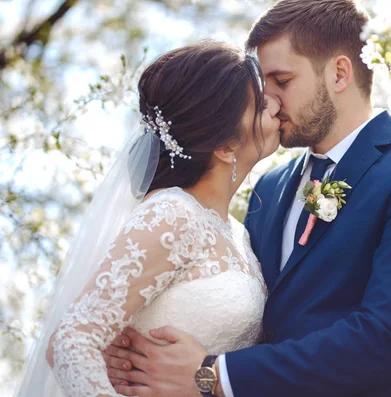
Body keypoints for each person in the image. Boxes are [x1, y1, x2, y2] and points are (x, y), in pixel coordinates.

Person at [104, 1, 391, 396]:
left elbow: (389, 337)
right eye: (265, 86)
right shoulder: (270, 186)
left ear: (339, 73)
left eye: (282, 80)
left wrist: (215, 375)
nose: (272, 102)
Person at [16, 40, 282, 397]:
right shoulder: (172, 214)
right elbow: (70, 341)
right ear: (225, 146)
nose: (278, 105)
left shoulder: (237, 233)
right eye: (262, 105)